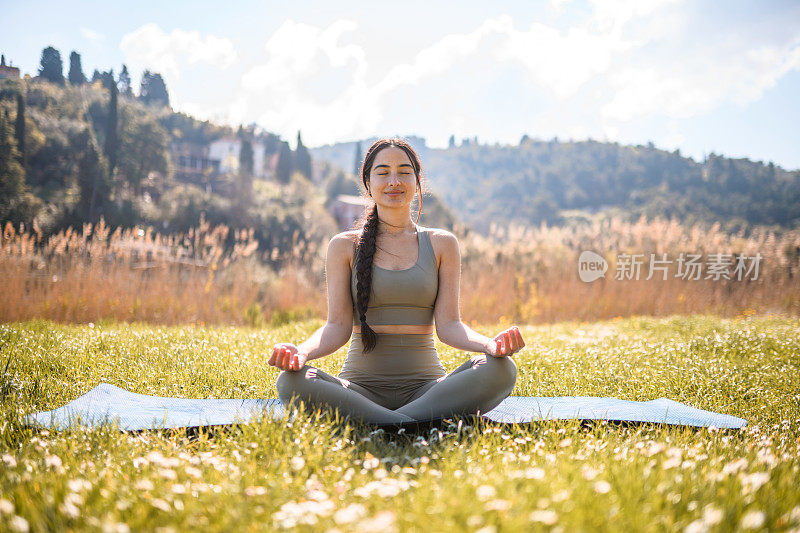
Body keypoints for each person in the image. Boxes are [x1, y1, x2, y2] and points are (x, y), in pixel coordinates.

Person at [271, 137, 524, 425]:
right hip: (358, 391)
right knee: (291, 381)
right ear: (368, 183)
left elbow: (450, 326)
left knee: (503, 369)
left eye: (404, 172)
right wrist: (301, 352)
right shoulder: (344, 246)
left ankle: (385, 423)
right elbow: (336, 327)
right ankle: (410, 423)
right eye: (383, 172)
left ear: (417, 183)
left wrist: (490, 345)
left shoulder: (442, 244)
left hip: (429, 390)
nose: (394, 180)